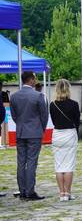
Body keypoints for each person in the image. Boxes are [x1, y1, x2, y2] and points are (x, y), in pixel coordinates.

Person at [10, 71, 49, 200]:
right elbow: (44, 115)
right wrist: (41, 128)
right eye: (34, 79)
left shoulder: (14, 96)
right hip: (34, 132)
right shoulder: (38, 96)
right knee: (32, 161)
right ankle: (30, 191)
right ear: (31, 80)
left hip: (20, 132)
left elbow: (14, 116)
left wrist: (21, 125)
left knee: (21, 162)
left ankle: (22, 191)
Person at [49, 79, 80, 202]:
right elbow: (77, 121)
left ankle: (61, 193)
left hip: (57, 135)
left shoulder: (52, 104)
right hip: (69, 134)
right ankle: (68, 192)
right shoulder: (74, 104)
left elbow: (53, 120)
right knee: (68, 166)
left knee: (59, 166)